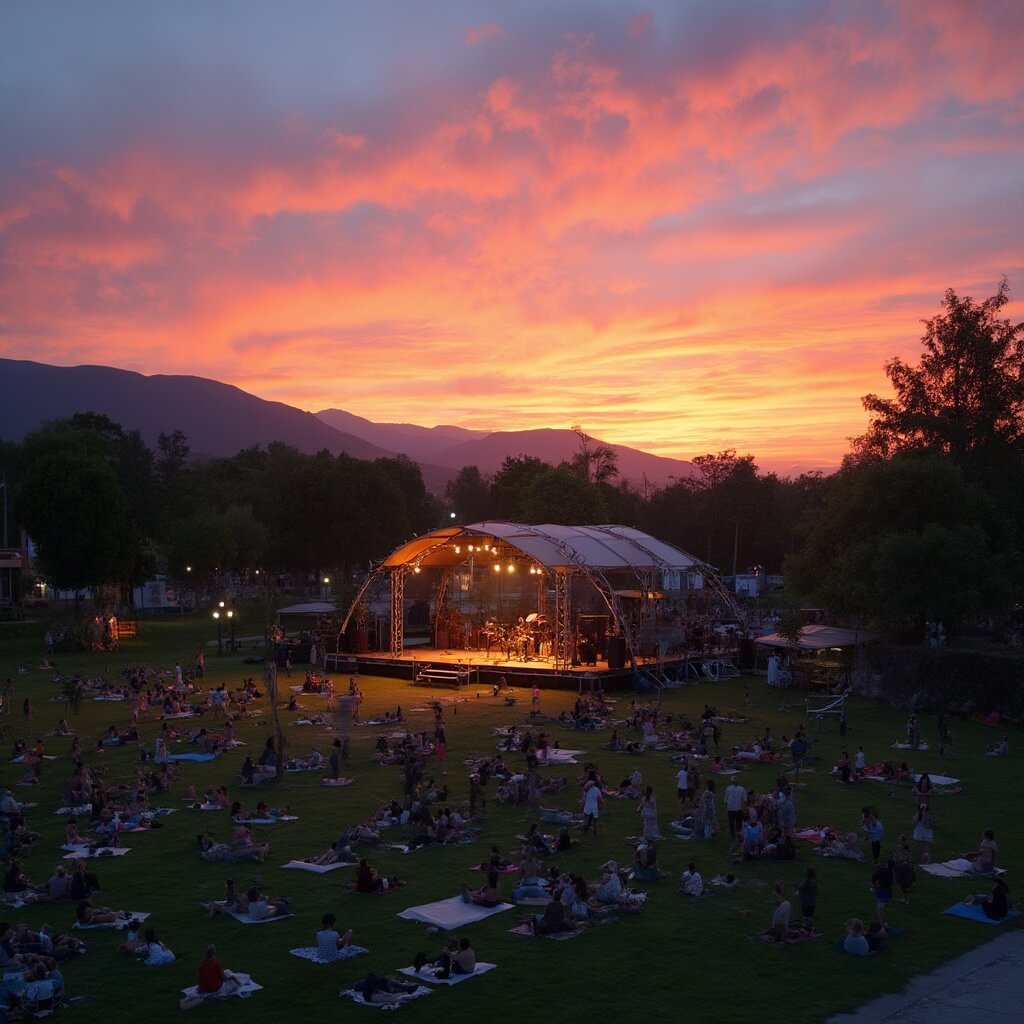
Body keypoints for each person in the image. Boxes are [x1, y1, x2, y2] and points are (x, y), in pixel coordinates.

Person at [871, 859, 895, 925]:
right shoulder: (892, 873)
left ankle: (883, 926)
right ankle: (885, 922)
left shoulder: (881, 870)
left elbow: (873, 879)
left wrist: (873, 887)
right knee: (884, 909)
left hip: (881, 893)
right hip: (889, 893)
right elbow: (893, 884)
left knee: (880, 910)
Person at [797, 867, 817, 931]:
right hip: (812, 903)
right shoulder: (814, 882)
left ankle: (806, 929)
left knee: (805, 916)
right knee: (810, 915)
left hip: (805, 902)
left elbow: (800, 889)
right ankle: (811, 927)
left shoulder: (805, 882)